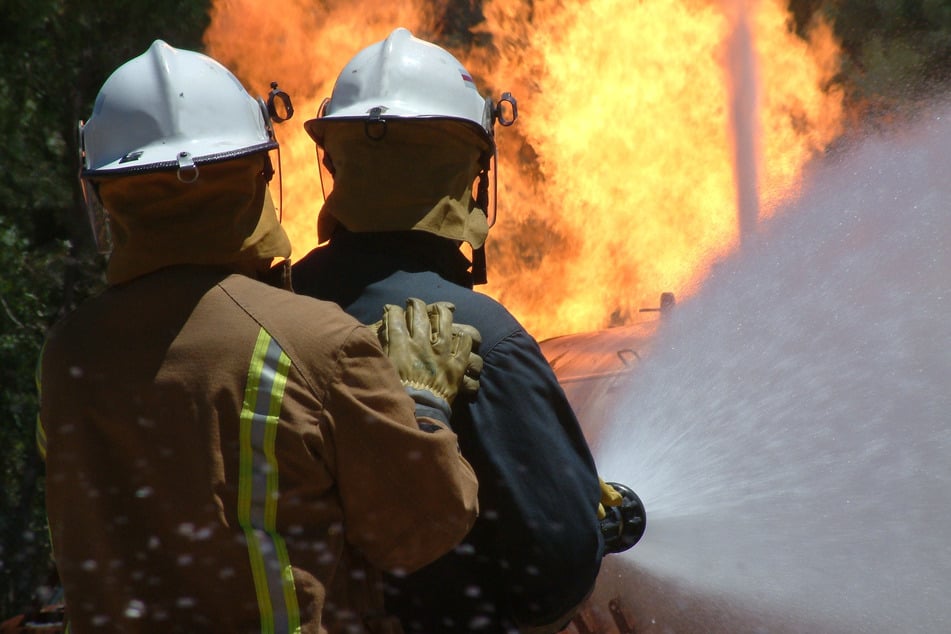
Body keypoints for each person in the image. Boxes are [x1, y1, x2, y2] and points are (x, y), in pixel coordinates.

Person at [36, 40, 482, 634]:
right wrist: (423, 400)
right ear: (258, 177)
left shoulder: (68, 353)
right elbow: (418, 529)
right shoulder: (318, 342)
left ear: (107, 197)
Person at [292, 28, 642, 633]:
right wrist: (586, 526)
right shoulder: (481, 336)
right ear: (472, 171)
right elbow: (553, 579)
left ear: (333, 160)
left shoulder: (270, 306)